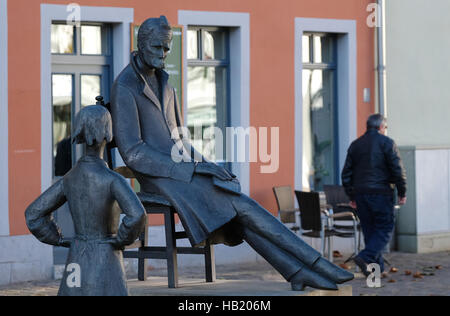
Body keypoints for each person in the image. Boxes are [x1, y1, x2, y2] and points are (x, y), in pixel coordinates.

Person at [110, 16, 354, 291]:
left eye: (167, 48)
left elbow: (182, 141)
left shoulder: (167, 84)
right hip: (158, 178)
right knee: (240, 205)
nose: (163, 54)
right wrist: (191, 169)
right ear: (141, 45)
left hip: (183, 174)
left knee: (237, 206)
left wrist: (209, 164)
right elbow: (133, 152)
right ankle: (315, 263)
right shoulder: (124, 87)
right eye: (157, 47)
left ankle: (298, 270)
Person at [25, 105, 147, 296]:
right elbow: (137, 214)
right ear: (108, 133)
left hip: (77, 255)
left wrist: (59, 240)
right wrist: (120, 240)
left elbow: (33, 215)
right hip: (107, 258)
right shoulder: (112, 179)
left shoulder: (69, 179)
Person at [342, 114, 407, 275]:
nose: (385, 130)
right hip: (381, 193)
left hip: (361, 194)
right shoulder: (387, 143)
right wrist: (402, 192)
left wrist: (351, 196)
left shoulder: (355, 145)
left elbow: (346, 174)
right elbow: (398, 170)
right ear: (381, 127)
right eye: (385, 128)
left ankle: (376, 272)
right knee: (385, 228)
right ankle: (366, 256)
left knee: (370, 231)